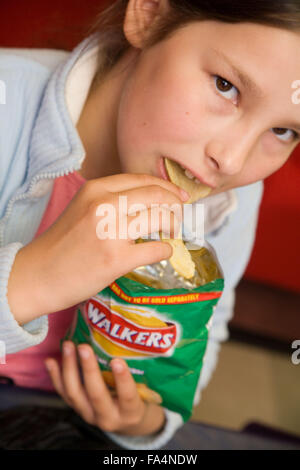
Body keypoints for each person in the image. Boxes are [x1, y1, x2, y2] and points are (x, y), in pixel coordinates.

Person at [0, 0, 300, 450]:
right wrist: (31, 281)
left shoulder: (235, 195)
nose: (232, 160)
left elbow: (204, 330)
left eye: (284, 131)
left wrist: (143, 421)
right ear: (150, 14)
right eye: (226, 86)